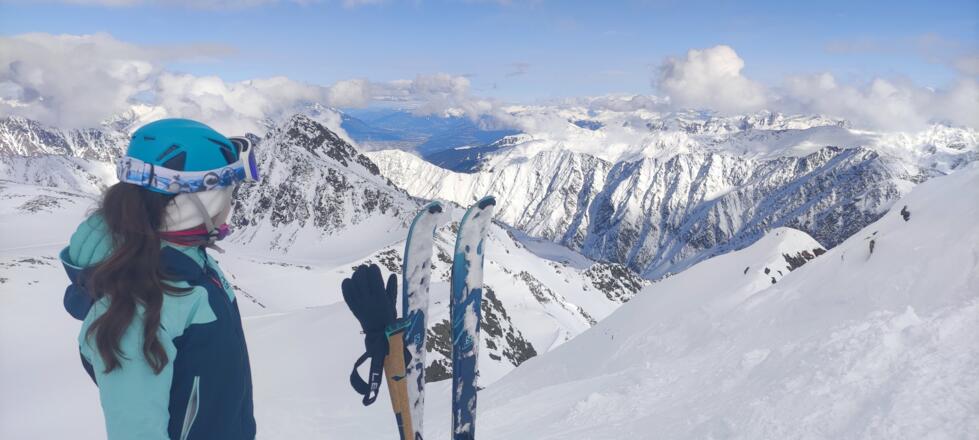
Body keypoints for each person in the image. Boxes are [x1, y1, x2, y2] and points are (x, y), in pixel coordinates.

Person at [60, 119, 261, 439]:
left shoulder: (186, 263)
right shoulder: (138, 307)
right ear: (192, 204)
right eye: (227, 194)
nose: (231, 207)